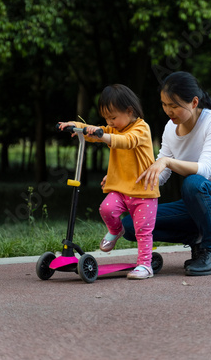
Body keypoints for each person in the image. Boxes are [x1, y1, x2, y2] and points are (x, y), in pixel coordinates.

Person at [122, 71, 211, 276]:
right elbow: (159, 177)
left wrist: (167, 161)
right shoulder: (170, 129)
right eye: (164, 104)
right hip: (196, 206)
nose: (168, 111)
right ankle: (196, 239)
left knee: (193, 183)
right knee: (130, 225)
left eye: (174, 105)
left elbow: (205, 170)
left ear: (194, 102)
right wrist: (123, 182)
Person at [59, 84, 160, 280]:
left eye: (113, 117)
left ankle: (145, 265)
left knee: (143, 231)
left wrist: (103, 135)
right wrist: (77, 126)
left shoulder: (141, 128)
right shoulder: (114, 128)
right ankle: (116, 230)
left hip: (144, 192)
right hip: (121, 189)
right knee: (106, 208)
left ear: (129, 111)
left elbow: (126, 141)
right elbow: (97, 132)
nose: (109, 122)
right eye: (106, 118)